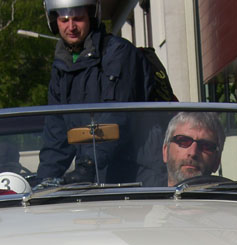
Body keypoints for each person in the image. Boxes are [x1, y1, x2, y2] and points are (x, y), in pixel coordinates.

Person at [37, 0, 154, 183]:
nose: (71, 27)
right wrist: (44, 180)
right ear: (53, 22)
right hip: (95, 175)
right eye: (64, 20)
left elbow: (116, 116)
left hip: (135, 174)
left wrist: (88, 164)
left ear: (91, 16)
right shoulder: (61, 67)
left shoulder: (118, 53)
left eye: (78, 18)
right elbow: (56, 133)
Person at [161, 112, 225, 185]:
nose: (193, 152)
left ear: (217, 161)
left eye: (205, 146)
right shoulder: (150, 191)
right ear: (165, 152)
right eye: (184, 141)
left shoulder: (233, 192)